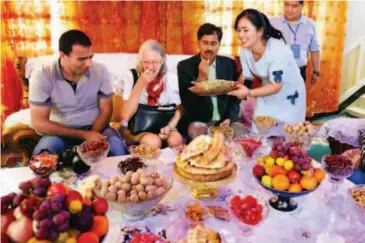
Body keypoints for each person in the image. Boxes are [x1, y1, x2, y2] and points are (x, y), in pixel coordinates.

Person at [29, 30, 126, 156]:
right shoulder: (42, 75)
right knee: (42, 159)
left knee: (117, 150)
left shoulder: (100, 69)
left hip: (96, 129)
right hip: (59, 133)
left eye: (90, 57)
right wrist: (84, 135)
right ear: (62, 55)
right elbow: (39, 123)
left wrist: (91, 136)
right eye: (82, 59)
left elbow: (106, 110)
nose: (89, 64)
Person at [228, 9, 306, 135]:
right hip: (266, 91)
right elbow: (246, 77)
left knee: (287, 134)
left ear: (260, 31)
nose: (241, 35)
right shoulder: (245, 50)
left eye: (245, 30)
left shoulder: (278, 51)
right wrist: (233, 87)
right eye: (238, 30)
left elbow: (276, 86)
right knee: (259, 128)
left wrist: (248, 92)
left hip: (289, 92)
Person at [115, 40, 184, 149]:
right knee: (153, 142)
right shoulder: (130, 76)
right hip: (136, 129)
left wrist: (169, 127)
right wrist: (140, 84)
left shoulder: (171, 79)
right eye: (146, 62)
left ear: (162, 61)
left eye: (155, 62)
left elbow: (178, 110)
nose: (150, 67)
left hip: (163, 126)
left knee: (176, 139)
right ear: (140, 61)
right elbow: (125, 116)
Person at [177, 23, 241, 138]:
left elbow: (234, 98)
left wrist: (229, 118)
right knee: (196, 130)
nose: (209, 48)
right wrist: (201, 77)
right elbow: (188, 104)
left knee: (243, 132)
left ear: (219, 44)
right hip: (199, 122)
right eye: (205, 43)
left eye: (213, 43)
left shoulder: (229, 64)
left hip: (223, 122)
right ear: (198, 43)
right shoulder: (184, 66)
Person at [270, 1, 320, 84]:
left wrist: (316, 71)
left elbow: (314, 50)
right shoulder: (272, 23)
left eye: (294, 6)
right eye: (286, 4)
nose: (289, 10)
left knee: (296, 96)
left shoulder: (310, 24)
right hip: (276, 72)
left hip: (299, 72)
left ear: (302, 6)